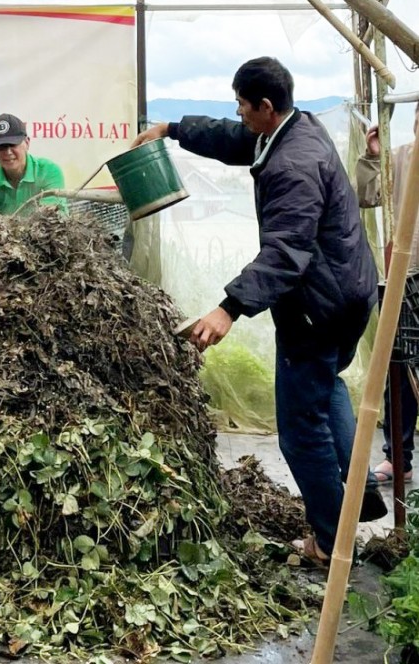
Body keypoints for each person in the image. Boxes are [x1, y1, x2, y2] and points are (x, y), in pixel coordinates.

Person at [132, 56, 387, 565]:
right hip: (347, 292)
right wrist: (171, 128)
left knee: (300, 431)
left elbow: (286, 253)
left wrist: (229, 308)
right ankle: (360, 494)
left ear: (266, 106)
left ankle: (330, 543)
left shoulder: (293, 167)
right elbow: (234, 138)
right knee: (325, 387)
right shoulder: (294, 129)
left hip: (317, 305)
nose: (239, 112)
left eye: (243, 104)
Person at [357, 105, 419, 485]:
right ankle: (398, 457)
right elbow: (367, 197)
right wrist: (373, 155)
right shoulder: (401, 156)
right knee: (397, 369)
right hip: (405, 275)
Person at [0, 113, 67, 216]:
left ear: (27, 143)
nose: (8, 152)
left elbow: (51, 218)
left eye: (13, 144)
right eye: (1, 147)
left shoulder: (49, 171)